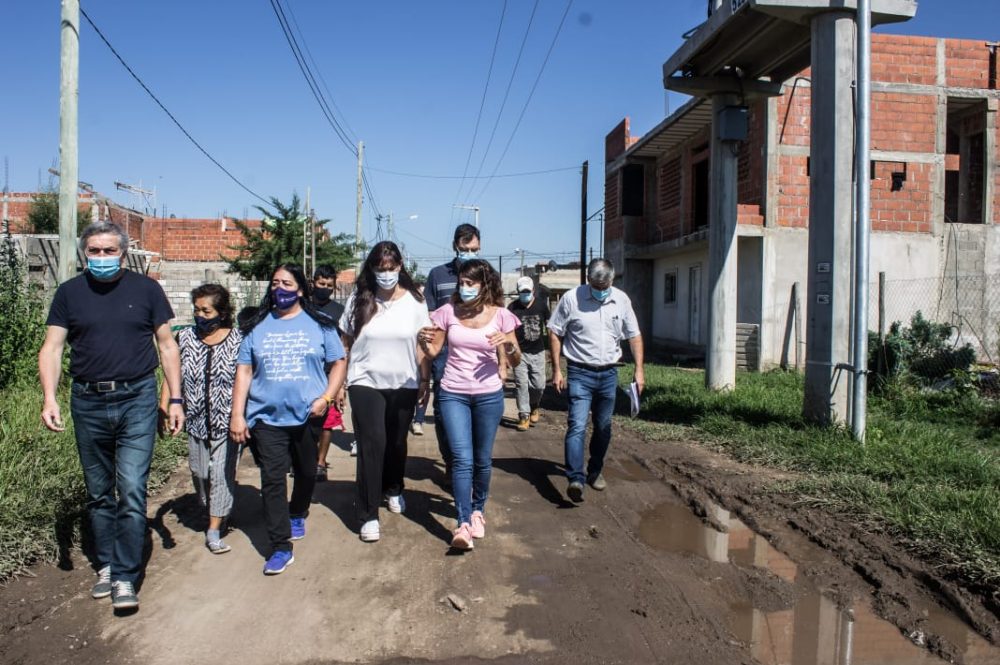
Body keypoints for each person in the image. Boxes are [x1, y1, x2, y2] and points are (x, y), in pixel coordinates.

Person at [39, 221, 184, 612]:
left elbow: (168, 346)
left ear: (123, 253)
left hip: (136, 397)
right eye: (94, 251)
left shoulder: (146, 290)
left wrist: (174, 400)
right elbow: (52, 348)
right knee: (99, 491)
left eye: (109, 251)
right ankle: (105, 564)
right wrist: (50, 398)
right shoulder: (70, 293)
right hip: (87, 401)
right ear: (84, 253)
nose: (101, 258)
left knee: (132, 490)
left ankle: (124, 576)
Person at [230, 264, 346, 575]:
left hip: (308, 415)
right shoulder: (257, 325)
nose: (279, 288)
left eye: (286, 283)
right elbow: (244, 370)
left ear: (300, 289)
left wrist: (327, 398)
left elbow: (338, 363)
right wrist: (238, 414)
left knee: (307, 472)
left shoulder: (320, 324)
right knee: (272, 479)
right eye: (275, 282)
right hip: (265, 417)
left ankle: (298, 511)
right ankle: (280, 545)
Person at [423, 259, 521, 550]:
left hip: (489, 395)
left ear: (485, 284)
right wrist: (422, 341)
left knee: (482, 459)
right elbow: (433, 350)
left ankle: (478, 510)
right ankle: (463, 522)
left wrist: (509, 345)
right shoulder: (447, 312)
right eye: (461, 283)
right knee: (461, 459)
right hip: (453, 392)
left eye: (470, 283)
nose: (464, 288)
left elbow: (516, 359)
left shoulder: (502, 316)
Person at [340, 242, 431, 543]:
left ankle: (394, 487)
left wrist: (424, 380)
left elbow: (422, 345)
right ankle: (368, 514)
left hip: (404, 381)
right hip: (365, 381)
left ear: (400, 266)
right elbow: (345, 344)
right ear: (372, 269)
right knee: (372, 443)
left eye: (391, 268)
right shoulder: (358, 300)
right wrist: (340, 383)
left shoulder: (416, 303)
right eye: (380, 268)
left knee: (396, 442)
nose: (386, 274)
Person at [549, 258, 644, 503]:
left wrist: (639, 370)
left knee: (603, 427)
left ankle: (595, 471)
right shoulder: (572, 298)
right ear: (588, 280)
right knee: (577, 425)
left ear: (611, 281)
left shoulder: (621, 300)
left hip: (609, 373)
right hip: (580, 372)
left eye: (605, 287)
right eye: (596, 286)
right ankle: (575, 478)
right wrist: (557, 369)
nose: (601, 291)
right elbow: (555, 331)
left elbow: (634, 335)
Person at [162, 284, 242, 554]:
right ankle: (212, 507)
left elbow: (246, 379)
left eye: (206, 311)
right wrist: (166, 405)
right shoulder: (184, 338)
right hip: (195, 419)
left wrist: (241, 416)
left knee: (220, 474)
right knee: (199, 472)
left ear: (221, 312)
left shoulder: (238, 340)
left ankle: (215, 528)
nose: (200, 315)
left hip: (226, 421)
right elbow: (172, 374)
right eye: (196, 310)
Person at [422, 224, 482, 482]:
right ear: (455, 246)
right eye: (465, 249)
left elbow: (497, 313)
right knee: (444, 410)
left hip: (479, 355)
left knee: (478, 409)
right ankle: (452, 461)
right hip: (445, 353)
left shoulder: (487, 274)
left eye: (475, 249)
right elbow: (428, 316)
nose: (469, 253)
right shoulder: (437, 275)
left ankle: (472, 463)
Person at [311, 265, 355, 481]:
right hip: (307, 373)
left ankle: (320, 463)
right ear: (313, 283)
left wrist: (341, 385)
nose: (324, 288)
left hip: (329, 375)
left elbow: (343, 348)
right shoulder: (301, 307)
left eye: (329, 285)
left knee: (327, 421)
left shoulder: (339, 312)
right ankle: (303, 460)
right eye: (321, 284)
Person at [508, 276, 550, 431]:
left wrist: (551, 350)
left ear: (533, 291)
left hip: (538, 352)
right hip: (519, 353)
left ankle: (534, 406)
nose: (525, 294)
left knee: (538, 385)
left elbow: (549, 327)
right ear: (518, 292)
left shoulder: (541, 306)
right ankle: (524, 415)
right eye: (522, 291)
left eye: (527, 291)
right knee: (521, 384)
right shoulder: (512, 308)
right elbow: (507, 330)